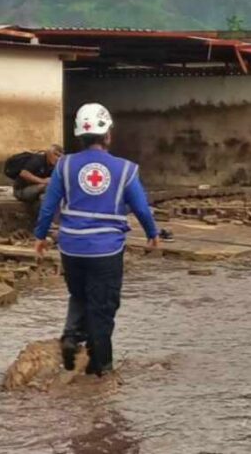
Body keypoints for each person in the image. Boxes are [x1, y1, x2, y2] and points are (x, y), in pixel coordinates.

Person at [33, 103, 159, 377]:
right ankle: (101, 371)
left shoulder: (64, 165)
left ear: (79, 135)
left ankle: (71, 337)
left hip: (71, 246)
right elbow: (140, 207)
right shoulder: (125, 170)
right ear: (108, 135)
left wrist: (40, 236)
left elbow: (48, 205)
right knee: (103, 307)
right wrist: (152, 233)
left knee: (79, 295)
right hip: (106, 250)